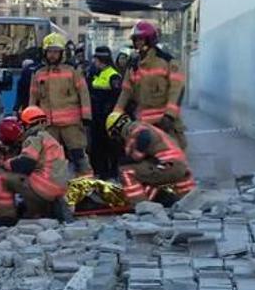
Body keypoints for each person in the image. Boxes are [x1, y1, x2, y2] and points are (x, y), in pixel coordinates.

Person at [113, 21, 188, 149]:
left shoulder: (167, 61)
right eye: (136, 40)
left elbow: (177, 90)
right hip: (143, 126)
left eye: (141, 39)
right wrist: (115, 115)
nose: (138, 43)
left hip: (166, 125)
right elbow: (125, 92)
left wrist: (169, 116)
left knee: (173, 163)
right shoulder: (133, 65)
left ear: (150, 40)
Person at [29, 32, 93, 176]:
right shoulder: (38, 74)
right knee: (49, 158)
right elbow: (33, 98)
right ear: (45, 53)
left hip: (71, 124)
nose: (52, 55)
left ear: (62, 53)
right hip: (48, 125)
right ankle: (51, 186)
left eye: (56, 52)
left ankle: (87, 185)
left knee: (79, 156)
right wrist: (31, 119)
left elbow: (84, 93)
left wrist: (86, 116)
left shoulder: (72, 71)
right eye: (50, 52)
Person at [0, 106, 69, 220]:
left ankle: (7, 218)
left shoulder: (34, 138)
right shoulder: (49, 138)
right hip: (59, 189)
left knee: (0, 177)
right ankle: (41, 208)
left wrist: (5, 164)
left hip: (43, 189)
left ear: (27, 124)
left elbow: (26, 164)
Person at [106, 111, 196, 206]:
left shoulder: (132, 128)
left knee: (126, 171)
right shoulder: (151, 128)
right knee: (145, 173)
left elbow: (144, 136)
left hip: (168, 165)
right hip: (181, 167)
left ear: (116, 129)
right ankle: (186, 201)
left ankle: (141, 205)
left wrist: (136, 156)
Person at [88, 46, 123, 180]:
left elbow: (117, 97)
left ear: (101, 60)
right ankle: (100, 172)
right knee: (97, 145)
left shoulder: (113, 75)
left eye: (95, 59)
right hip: (97, 117)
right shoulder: (97, 73)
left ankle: (111, 173)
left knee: (109, 146)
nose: (94, 62)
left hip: (108, 118)